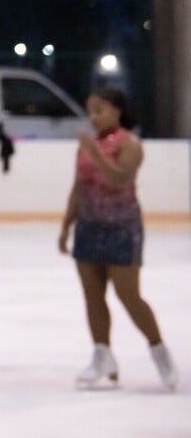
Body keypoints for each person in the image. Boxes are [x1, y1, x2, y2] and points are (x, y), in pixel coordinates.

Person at [59, 88, 178, 391]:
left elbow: (118, 179)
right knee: (93, 296)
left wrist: (94, 151)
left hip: (122, 228)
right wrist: (65, 226)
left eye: (99, 109)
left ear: (117, 110)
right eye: (90, 111)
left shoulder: (130, 144)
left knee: (128, 295)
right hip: (89, 226)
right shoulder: (87, 146)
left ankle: (158, 349)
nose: (93, 117)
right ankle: (102, 355)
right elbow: (78, 187)